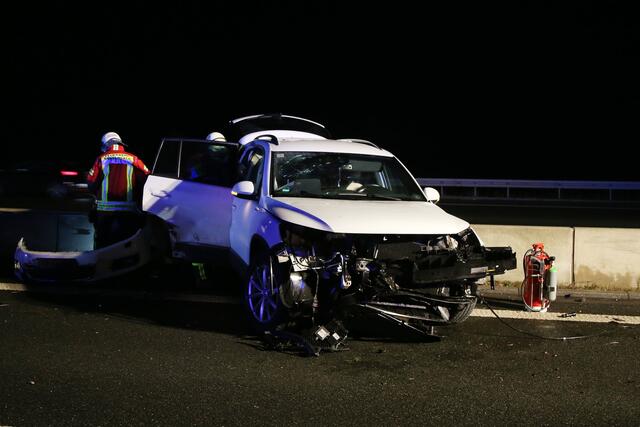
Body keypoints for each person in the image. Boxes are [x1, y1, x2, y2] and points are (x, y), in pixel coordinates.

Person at [87, 132, 150, 248]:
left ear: (106, 144)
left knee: (103, 247)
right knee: (127, 247)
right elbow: (147, 179)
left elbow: (91, 184)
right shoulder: (134, 159)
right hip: (128, 212)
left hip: (104, 214)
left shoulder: (101, 159)